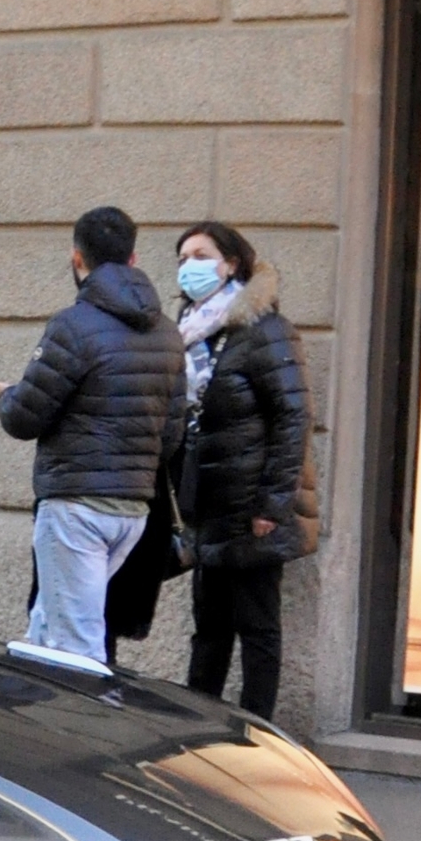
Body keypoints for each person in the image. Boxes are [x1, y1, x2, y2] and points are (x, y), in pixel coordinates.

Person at [0, 207, 185, 665]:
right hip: (133, 509)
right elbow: (171, 434)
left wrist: (6, 399)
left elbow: (25, 420)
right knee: (48, 628)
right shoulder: (169, 334)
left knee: (77, 648)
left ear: (78, 259)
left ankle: (89, 730)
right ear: (133, 259)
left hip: (77, 508)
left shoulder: (72, 326)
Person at [173, 220, 318, 719]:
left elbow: (293, 418)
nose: (187, 266)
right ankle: (198, 725)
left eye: (199, 254)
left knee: (257, 629)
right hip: (208, 506)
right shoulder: (191, 334)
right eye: (182, 258)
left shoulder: (265, 330)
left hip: (252, 509)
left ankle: (257, 732)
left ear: (231, 263)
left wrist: (272, 506)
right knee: (209, 627)